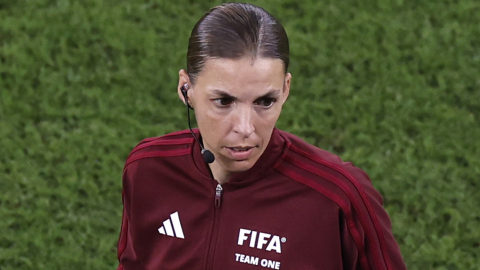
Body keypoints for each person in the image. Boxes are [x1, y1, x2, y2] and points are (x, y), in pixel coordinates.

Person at [116, 3, 407, 270]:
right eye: (224, 102)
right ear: (186, 89)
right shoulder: (148, 170)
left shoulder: (338, 196)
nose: (245, 128)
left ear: (286, 89)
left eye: (264, 102)